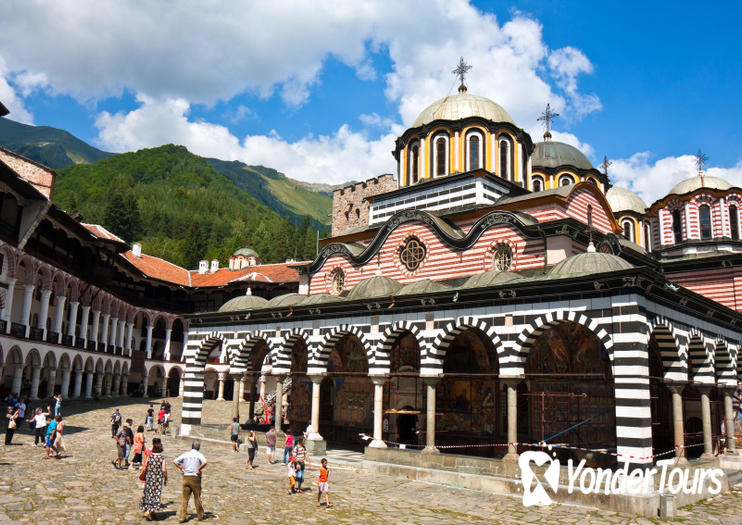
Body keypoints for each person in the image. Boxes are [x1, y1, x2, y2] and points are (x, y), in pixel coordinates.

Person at [174, 440, 207, 523]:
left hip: (186, 477)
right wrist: (199, 469)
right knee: (197, 497)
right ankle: (200, 515)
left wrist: (181, 468)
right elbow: (205, 462)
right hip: (195, 478)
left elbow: (175, 461)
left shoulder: (186, 454)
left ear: (192, 447)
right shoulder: (199, 455)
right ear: (198, 448)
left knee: (185, 498)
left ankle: (182, 517)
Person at [140, 437, 167, 521]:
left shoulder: (150, 456)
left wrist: (143, 474)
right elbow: (163, 470)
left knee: (149, 493)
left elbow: (145, 466)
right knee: (155, 494)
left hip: (149, 478)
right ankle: (149, 511)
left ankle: (151, 511)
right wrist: (166, 478)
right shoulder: (162, 458)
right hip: (157, 479)